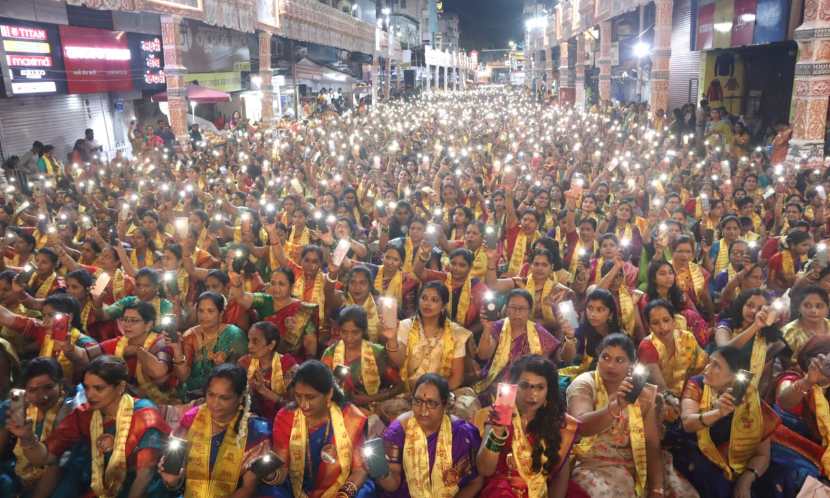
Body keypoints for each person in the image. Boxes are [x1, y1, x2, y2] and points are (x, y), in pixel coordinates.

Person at [6, 355, 170, 498]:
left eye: (98, 388)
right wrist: (27, 438)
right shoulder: (85, 414)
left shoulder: (145, 415)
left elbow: (145, 475)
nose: (90, 395)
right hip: (100, 487)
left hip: (141, 489)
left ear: (120, 387)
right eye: (86, 387)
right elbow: (46, 457)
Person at [567, 334, 699, 498]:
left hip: (637, 462)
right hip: (593, 464)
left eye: (619, 360)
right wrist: (616, 406)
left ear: (631, 365)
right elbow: (580, 426)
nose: (610, 365)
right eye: (605, 357)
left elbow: (650, 443)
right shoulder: (585, 383)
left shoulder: (643, 393)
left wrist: (656, 488)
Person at [674, 346, 780, 497]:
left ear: (734, 376)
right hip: (697, 452)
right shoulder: (697, 385)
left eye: (716, 365)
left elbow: (762, 454)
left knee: (777, 482)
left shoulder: (751, 402)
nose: (707, 369)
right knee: (714, 483)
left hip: (741, 466)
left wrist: (746, 480)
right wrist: (717, 413)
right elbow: (687, 423)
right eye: (709, 362)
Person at [158, 363, 277, 497]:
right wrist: (172, 481)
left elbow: (248, 488)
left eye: (224, 398)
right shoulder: (192, 419)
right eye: (211, 395)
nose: (215, 403)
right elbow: (176, 476)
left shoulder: (255, 432)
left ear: (240, 398)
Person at [474, 355, 579, 498]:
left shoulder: (560, 424)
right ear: (514, 386)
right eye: (524, 386)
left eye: (540, 387)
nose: (532, 394)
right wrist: (497, 432)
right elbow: (485, 470)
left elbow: (560, 477)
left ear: (549, 391)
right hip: (502, 490)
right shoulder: (498, 415)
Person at [271, 360, 374, 497]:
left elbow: (359, 470)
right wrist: (271, 474)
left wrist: (343, 495)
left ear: (329, 394)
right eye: (298, 396)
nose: (303, 404)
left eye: (310, 397)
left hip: (340, 487)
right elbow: (282, 467)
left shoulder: (351, 417)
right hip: (297, 489)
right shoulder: (286, 417)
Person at [377, 373, 483, 497]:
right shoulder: (398, 431)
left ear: (445, 404)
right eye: (418, 401)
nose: (423, 410)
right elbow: (393, 484)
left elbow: (476, 482)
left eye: (431, 403)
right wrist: (380, 472)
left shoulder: (463, 434)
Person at [0, 357, 73, 497]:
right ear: (25, 391)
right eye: (33, 390)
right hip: (17, 472)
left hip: (57, 477)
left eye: (48, 387)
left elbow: (56, 465)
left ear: (62, 385)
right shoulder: (17, 406)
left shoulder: (71, 412)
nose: (42, 396)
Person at [476, 289, 562, 398]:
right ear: (506, 309)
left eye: (522, 309)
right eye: (513, 308)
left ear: (529, 311)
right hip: (494, 383)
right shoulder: (497, 326)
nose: (517, 312)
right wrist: (487, 328)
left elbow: (547, 364)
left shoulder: (539, 332)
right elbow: (483, 355)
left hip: (525, 388)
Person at [320, 305, 402, 416]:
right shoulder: (330, 353)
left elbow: (399, 386)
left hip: (372, 412)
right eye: (344, 332)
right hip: (337, 412)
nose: (349, 338)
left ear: (363, 331)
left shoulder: (377, 353)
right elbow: (320, 388)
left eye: (355, 332)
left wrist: (370, 398)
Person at [169, 291, 248, 401]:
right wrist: (177, 351)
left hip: (225, 393)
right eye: (201, 311)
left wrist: (223, 366)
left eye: (210, 311)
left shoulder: (234, 335)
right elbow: (183, 377)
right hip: (192, 393)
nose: (204, 316)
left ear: (220, 314)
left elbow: (242, 372)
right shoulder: (190, 336)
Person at [637, 299, 708, 417]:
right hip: (661, 399)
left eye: (666, 320)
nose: (663, 327)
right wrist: (679, 403)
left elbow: (702, 367)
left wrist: (691, 395)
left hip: (690, 391)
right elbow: (661, 387)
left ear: (674, 321)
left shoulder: (687, 338)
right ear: (649, 327)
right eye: (655, 323)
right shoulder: (647, 347)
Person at [238, 321, 298, 420]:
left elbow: (296, 407)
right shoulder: (244, 363)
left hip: (281, 420)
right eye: (249, 340)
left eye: (255, 341)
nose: (249, 346)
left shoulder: (288, 366)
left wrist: (264, 391)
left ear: (271, 344)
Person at [782, 285, 830, 368]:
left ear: (827, 308)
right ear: (799, 307)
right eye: (807, 305)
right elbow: (785, 366)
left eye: (819, 306)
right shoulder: (788, 333)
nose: (813, 310)